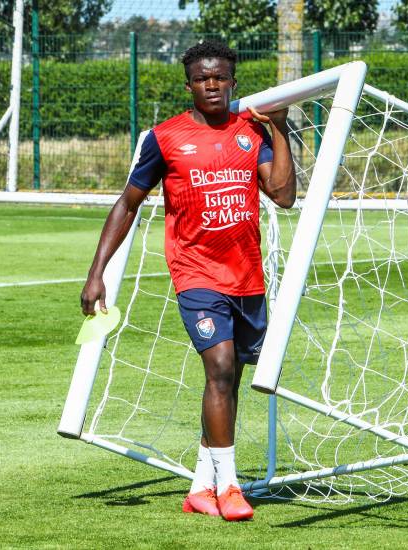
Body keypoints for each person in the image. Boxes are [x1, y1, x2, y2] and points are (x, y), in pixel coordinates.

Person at [79, 39, 296, 522]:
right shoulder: (166, 138)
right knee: (219, 368)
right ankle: (231, 486)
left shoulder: (249, 132)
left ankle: (201, 485)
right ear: (190, 85)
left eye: (219, 77)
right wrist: (97, 274)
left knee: (229, 380)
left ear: (233, 82)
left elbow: (282, 195)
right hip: (196, 274)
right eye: (202, 79)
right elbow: (127, 203)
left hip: (247, 276)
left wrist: (280, 131)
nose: (211, 85)